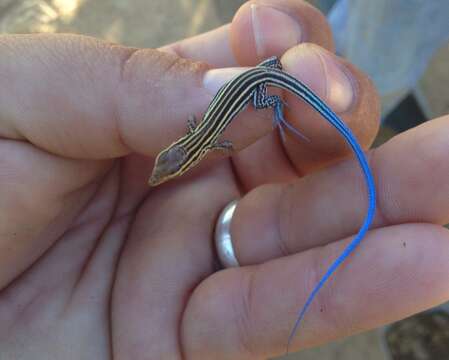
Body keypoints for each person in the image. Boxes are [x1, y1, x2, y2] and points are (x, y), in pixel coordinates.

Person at [1, 1, 448, 359]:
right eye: (167, 168)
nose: (163, 173)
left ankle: (292, 102)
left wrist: (271, 109)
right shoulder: (201, 137)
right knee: (302, 69)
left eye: (166, 167)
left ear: (180, 162)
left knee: (303, 74)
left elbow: (218, 129)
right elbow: (209, 128)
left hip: (267, 79)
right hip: (267, 72)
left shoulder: (209, 144)